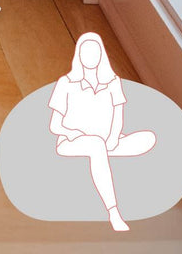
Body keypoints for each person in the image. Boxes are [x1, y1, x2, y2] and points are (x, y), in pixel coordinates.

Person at [48, 31, 156, 231]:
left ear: (101, 55)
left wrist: (114, 137)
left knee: (148, 138)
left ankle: (102, 156)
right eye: (86, 52)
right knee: (95, 145)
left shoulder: (113, 83)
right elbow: (55, 125)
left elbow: (118, 114)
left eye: (95, 52)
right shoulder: (67, 83)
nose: (90, 57)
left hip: (107, 140)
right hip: (74, 140)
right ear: (79, 55)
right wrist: (74, 133)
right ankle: (113, 211)